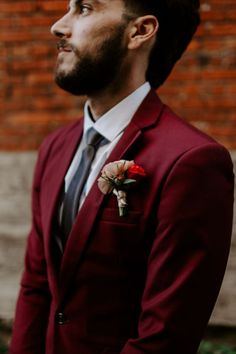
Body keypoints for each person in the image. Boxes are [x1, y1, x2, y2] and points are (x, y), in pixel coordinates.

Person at [10, 0, 234, 353]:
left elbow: (166, 336)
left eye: (84, 8)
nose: (58, 26)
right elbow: (37, 286)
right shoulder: (55, 146)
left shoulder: (193, 161)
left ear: (140, 31)